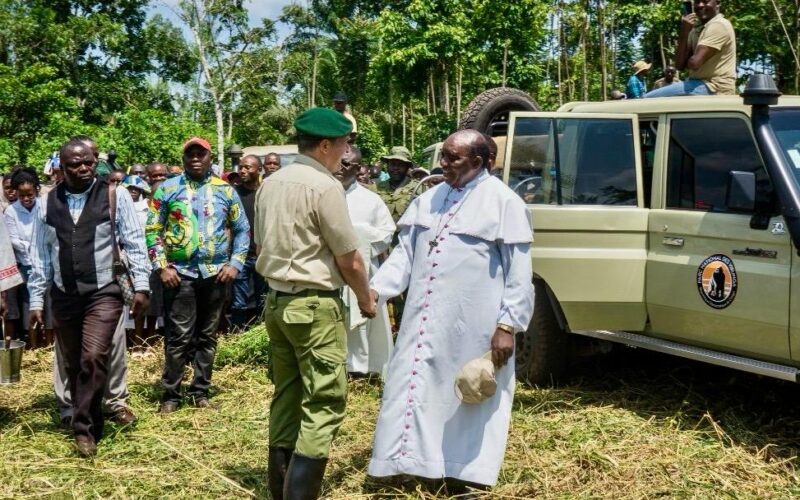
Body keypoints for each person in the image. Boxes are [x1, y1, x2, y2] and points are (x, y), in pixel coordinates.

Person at [366, 129, 534, 491]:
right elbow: (404, 257)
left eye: (451, 158)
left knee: (468, 396)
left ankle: (465, 475)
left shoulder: (504, 203)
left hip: (474, 327)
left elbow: (521, 274)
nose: (442, 163)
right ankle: (414, 464)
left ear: (477, 162)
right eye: (442, 155)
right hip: (422, 322)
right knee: (414, 387)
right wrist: (376, 290)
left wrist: (508, 325)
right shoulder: (428, 200)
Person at [254, 107, 376, 500]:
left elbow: (260, 245)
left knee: (287, 394)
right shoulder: (325, 187)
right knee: (325, 400)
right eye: (343, 145)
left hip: (276, 303)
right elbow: (349, 258)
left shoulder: (270, 184)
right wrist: (365, 298)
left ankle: (280, 489)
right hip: (314, 307)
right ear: (325, 145)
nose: (345, 154)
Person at [28, 138, 151, 457]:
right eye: (74, 164)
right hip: (65, 294)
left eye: (88, 162)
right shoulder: (46, 202)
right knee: (72, 363)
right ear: (61, 168)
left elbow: (135, 242)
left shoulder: (115, 195)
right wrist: (37, 301)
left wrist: (141, 286)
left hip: (105, 292)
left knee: (93, 356)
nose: (83, 169)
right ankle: (93, 418)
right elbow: (40, 254)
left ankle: (84, 430)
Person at [146, 137, 249, 413]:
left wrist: (235, 264)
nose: (195, 158)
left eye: (200, 153)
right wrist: (162, 266)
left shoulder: (225, 190)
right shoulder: (167, 189)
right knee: (178, 337)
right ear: (183, 158)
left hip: (216, 275)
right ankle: (171, 395)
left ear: (209, 157)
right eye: (190, 153)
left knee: (207, 335)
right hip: (179, 275)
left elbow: (242, 229)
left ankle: (200, 391)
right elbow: (152, 230)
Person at [333, 146, 395, 377]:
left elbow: (387, 232)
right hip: (329, 270)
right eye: (338, 162)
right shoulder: (323, 193)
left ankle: (361, 368)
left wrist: (360, 235)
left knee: (361, 319)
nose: (340, 168)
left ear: (358, 168)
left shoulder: (371, 199)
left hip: (362, 269)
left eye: (347, 164)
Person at [646, 0, 736, 97]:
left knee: (647, 98)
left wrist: (688, 58)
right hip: (697, 84)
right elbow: (679, 65)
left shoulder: (719, 25)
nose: (700, 5)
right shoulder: (696, 29)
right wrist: (685, 32)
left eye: (705, 1)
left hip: (714, 86)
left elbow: (694, 63)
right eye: (697, 2)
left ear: (717, 3)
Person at [4, 168, 42, 346]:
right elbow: (13, 238)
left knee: (45, 304)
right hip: (25, 263)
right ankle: (32, 343)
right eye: (22, 196)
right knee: (27, 303)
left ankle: (44, 342)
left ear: (36, 190)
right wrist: (30, 245)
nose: (26, 199)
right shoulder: (11, 211)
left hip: (43, 262)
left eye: (30, 195)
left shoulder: (43, 206)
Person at [230, 154, 266, 330]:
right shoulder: (233, 193)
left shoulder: (265, 193)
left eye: (248, 167)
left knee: (263, 301)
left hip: (262, 255)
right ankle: (237, 336)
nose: (243, 170)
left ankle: (261, 335)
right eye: (241, 167)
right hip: (239, 256)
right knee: (238, 303)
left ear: (259, 170)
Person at [375, 146, 419, 222]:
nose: (395, 168)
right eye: (392, 164)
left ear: (407, 167)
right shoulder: (376, 187)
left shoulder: (418, 188)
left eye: (400, 165)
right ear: (387, 166)